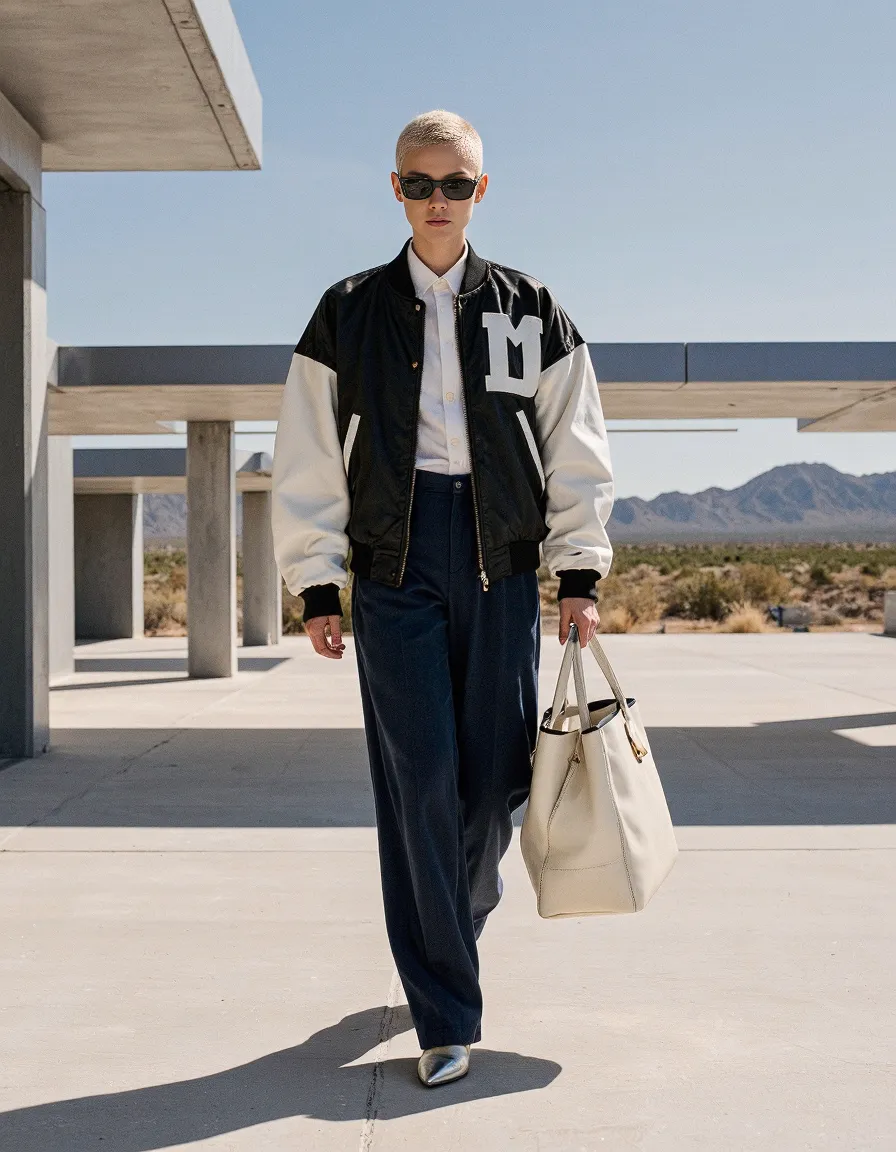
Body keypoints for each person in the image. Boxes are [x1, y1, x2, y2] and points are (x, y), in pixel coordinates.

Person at [271, 110, 614, 1087]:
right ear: (395, 189)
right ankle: (445, 1013)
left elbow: (575, 445)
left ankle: (444, 927)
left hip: (499, 559)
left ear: (479, 191)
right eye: (419, 183)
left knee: (494, 786)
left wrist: (577, 573)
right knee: (418, 780)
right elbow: (307, 451)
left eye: (454, 184)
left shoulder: (530, 309)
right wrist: (317, 581)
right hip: (394, 564)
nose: (437, 200)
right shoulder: (348, 311)